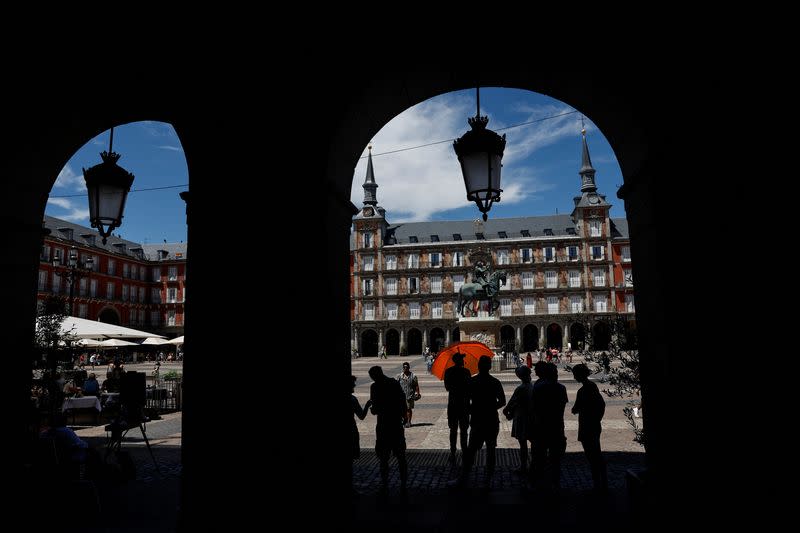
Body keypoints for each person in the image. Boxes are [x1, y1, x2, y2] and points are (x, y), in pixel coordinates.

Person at [453, 355, 506, 488]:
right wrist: (491, 407)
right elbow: (503, 401)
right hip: (492, 420)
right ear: (489, 366)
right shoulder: (495, 382)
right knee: (490, 450)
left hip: (477, 420)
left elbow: (465, 400)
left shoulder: (472, 382)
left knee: (471, 450)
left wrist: (472, 409)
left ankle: (464, 477)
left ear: (478, 366)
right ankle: (488, 479)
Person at [368, 366, 408, 493]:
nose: (372, 379)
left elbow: (375, 410)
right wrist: (404, 415)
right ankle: (404, 482)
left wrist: (372, 409)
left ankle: (385, 483)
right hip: (396, 424)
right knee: (401, 455)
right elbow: (402, 400)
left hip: (383, 425)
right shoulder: (393, 383)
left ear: (375, 375)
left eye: (372, 377)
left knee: (383, 457)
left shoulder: (374, 387)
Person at [531, 361, 568, 491]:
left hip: (541, 426)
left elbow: (534, 407)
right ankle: (555, 483)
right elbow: (562, 407)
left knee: (539, 458)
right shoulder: (561, 388)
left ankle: (539, 484)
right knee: (555, 460)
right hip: (557, 426)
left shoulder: (538, 387)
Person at [571, 363, 608, 492]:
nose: (574, 377)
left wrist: (576, 409)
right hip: (594, 424)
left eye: (575, 374)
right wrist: (598, 418)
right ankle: (601, 481)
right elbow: (601, 405)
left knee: (592, 455)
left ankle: (598, 483)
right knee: (595, 453)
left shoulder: (583, 391)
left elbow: (575, 408)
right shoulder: (593, 386)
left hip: (587, 424)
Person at [502, 365, 535, 475]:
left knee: (523, 444)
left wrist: (506, 412)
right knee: (532, 441)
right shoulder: (531, 386)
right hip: (530, 417)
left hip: (521, 418)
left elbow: (511, 403)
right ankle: (533, 464)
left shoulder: (520, 388)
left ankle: (523, 466)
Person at [444, 352, 471, 463]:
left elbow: (447, 387)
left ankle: (453, 452)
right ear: (460, 361)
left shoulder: (448, 371)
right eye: (462, 359)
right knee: (464, 430)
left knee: (453, 430)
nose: (463, 361)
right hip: (464, 404)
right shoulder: (466, 372)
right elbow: (469, 388)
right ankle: (464, 452)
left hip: (453, 404)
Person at [351, 375, 372, 460]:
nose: (354, 385)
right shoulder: (352, 399)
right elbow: (361, 416)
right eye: (352, 384)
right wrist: (367, 405)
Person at [396, 362, 420, 428]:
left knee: (408, 409)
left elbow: (416, 385)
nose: (405, 368)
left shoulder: (413, 376)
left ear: (409, 368)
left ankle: (409, 422)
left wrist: (417, 394)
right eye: (404, 367)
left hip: (410, 395)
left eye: (406, 367)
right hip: (401, 396)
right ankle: (404, 421)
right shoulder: (399, 376)